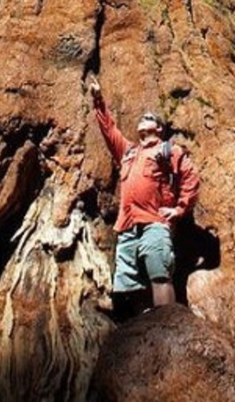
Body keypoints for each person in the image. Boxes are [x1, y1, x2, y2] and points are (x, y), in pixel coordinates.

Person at [89, 77, 199, 307]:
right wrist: (98, 99)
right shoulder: (128, 152)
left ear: (159, 128)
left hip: (155, 222)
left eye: (148, 119)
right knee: (127, 281)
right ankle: (138, 331)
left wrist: (179, 209)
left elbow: (191, 178)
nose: (142, 120)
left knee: (159, 273)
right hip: (127, 226)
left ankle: (167, 324)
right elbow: (109, 130)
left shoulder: (169, 150)